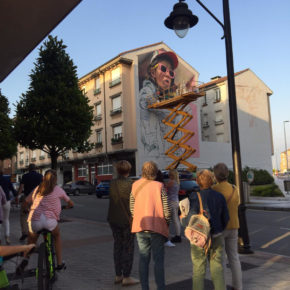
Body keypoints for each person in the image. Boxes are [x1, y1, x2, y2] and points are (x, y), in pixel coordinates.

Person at [16, 169, 73, 274]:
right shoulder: (58, 189)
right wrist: (66, 207)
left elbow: (25, 202)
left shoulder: (37, 189)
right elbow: (71, 203)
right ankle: (59, 263)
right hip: (50, 221)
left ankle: (25, 260)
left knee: (31, 242)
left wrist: (26, 209)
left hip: (35, 220)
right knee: (57, 236)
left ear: (43, 178)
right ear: (55, 179)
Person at [180, 169, 229, 290]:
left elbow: (190, 220)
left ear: (197, 181)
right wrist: (218, 230)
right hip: (216, 236)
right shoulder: (219, 196)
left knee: (198, 269)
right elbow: (226, 218)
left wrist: (182, 219)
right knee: (217, 268)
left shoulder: (194, 196)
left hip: (198, 237)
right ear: (212, 180)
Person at [130, 161, 170, 290]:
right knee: (158, 261)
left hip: (140, 227)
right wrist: (167, 224)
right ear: (155, 171)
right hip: (157, 227)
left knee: (143, 258)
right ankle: (161, 287)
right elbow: (166, 210)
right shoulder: (159, 186)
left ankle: (145, 287)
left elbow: (132, 208)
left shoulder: (135, 185)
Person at [139, 49, 178, 157]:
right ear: (152, 72)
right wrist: (174, 113)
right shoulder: (146, 91)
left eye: (171, 72)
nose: (168, 75)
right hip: (151, 150)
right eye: (163, 68)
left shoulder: (161, 95)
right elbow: (152, 103)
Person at [107, 160, 139, 286]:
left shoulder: (112, 183)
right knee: (128, 247)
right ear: (129, 170)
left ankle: (118, 275)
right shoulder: (132, 184)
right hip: (128, 220)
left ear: (118, 170)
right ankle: (127, 276)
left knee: (117, 246)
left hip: (113, 219)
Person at [212, 163, 243, 290]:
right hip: (234, 225)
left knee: (220, 260)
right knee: (234, 257)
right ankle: (238, 286)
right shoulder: (235, 189)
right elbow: (237, 204)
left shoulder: (214, 189)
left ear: (215, 175)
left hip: (220, 227)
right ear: (227, 174)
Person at [17, 163, 43, 241]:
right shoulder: (40, 176)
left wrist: (17, 196)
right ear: (35, 169)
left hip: (27, 198)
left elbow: (21, 187)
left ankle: (24, 233)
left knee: (23, 215)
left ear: (29, 169)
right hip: (37, 199)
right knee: (36, 216)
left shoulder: (25, 176)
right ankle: (35, 233)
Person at [166, 169, 182, 244]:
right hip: (176, 201)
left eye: (169, 174)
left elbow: (164, 187)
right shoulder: (177, 182)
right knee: (176, 219)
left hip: (170, 202)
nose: (168, 175)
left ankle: (166, 236)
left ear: (171, 175)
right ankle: (178, 235)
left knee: (168, 219)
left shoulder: (171, 182)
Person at [0, 172, 15, 244]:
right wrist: (16, 195)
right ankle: (7, 236)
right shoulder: (6, 179)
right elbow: (12, 189)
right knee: (6, 219)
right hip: (6, 201)